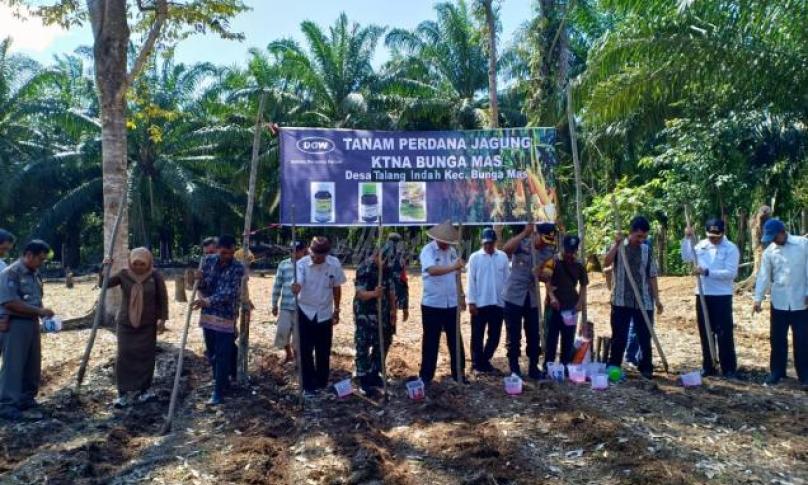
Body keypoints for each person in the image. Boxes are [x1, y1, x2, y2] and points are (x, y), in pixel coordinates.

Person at [104, 248, 169, 407]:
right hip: (126, 324)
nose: (139, 267)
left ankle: (144, 391)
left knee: (146, 357)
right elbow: (104, 284)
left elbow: (163, 298)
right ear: (130, 262)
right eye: (136, 264)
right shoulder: (124, 274)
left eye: (142, 264)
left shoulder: (155, 276)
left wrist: (162, 319)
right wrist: (105, 269)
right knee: (124, 356)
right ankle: (123, 393)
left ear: (148, 263)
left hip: (147, 324)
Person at [603, 216, 663, 379]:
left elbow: (652, 275)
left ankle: (646, 366)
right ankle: (614, 364)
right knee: (619, 336)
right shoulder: (619, 246)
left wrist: (656, 299)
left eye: (644, 237)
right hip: (621, 300)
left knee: (645, 335)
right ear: (631, 233)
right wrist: (616, 244)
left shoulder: (647, 250)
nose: (641, 240)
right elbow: (606, 262)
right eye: (638, 236)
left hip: (643, 300)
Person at [0, 240, 53, 421]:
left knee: (32, 363)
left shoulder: (35, 273)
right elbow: (10, 302)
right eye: (40, 259)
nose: (41, 262)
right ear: (28, 255)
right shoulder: (11, 273)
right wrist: (39, 311)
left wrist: (44, 316)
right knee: (13, 365)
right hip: (15, 324)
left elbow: (36, 298)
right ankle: (8, 404)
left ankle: (26, 398)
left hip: (31, 323)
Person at [681, 218, 740, 378]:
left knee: (723, 332)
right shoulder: (700, 245)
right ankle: (709, 365)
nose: (714, 238)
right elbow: (686, 257)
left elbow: (731, 273)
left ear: (723, 233)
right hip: (702, 293)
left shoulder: (730, 248)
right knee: (705, 331)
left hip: (721, 295)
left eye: (717, 236)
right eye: (711, 235)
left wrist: (707, 272)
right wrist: (687, 238)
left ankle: (728, 368)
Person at [753, 218, 808, 386]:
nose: (773, 240)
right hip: (779, 302)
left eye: (775, 236)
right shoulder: (770, 252)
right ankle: (777, 372)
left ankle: (805, 376)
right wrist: (758, 299)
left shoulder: (802, 244)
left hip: (801, 302)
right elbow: (764, 276)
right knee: (777, 339)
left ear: (782, 232)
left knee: (803, 340)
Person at [291, 236, 347, 396]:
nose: (316, 259)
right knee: (305, 350)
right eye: (314, 255)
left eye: (320, 256)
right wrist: (296, 287)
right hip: (305, 310)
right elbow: (298, 281)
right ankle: (308, 385)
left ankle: (321, 381)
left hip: (324, 312)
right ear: (309, 251)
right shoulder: (301, 264)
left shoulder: (334, 264)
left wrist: (337, 309)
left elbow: (337, 287)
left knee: (323, 350)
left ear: (327, 254)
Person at [193, 235, 245, 405]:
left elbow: (229, 292)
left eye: (231, 253)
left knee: (223, 353)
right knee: (213, 353)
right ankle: (221, 381)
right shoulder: (208, 262)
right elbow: (205, 286)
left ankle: (218, 391)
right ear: (218, 250)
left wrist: (207, 301)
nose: (227, 256)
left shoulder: (238, 268)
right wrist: (198, 280)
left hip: (226, 316)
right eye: (224, 253)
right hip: (208, 316)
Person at [501, 222, 556, 378]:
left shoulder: (549, 251)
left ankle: (533, 368)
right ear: (536, 234)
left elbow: (548, 275)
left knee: (533, 334)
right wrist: (524, 233)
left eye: (548, 241)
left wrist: (539, 273)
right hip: (513, 296)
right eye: (543, 239)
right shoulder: (522, 243)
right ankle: (514, 368)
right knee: (513, 335)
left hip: (532, 298)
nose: (544, 243)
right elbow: (506, 249)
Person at [419, 221, 466, 384]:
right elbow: (432, 270)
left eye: (449, 242)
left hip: (451, 303)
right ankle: (426, 376)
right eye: (445, 241)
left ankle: (459, 374)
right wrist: (453, 267)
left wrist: (461, 295)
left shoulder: (452, 251)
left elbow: (456, 275)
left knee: (455, 340)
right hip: (432, 303)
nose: (447, 244)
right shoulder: (428, 250)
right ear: (438, 239)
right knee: (431, 341)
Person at [353, 241, 398, 396]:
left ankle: (375, 372)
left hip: (383, 313)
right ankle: (363, 376)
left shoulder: (388, 268)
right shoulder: (364, 268)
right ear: (376, 255)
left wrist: (393, 310)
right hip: (366, 313)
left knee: (383, 342)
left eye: (389, 259)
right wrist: (373, 294)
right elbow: (360, 294)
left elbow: (391, 290)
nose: (386, 262)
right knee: (363, 343)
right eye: (383, 259)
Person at [466, 228, 509, 373]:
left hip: (498, 303)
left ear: (495, 242)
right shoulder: (475, 258)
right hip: (480, 303)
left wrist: (506, 301)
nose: (488, 246)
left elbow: (507, 280)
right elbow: (471, 281)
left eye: (490, 243)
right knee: (477, 335)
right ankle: (477, 363)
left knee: (495, 336)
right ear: (481, 242)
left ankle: (484, 361)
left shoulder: (502, 257)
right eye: (485, 244)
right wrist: (471, 302)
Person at [544, 235, 588, 368]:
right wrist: (552, 297)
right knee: (551, 338)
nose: (570, 254)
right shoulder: (553, 261)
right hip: (554, 306)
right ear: (563, 247)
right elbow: (546, 280)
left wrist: (580, 302)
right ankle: (548, 365)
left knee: (568, 338)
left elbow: (583, 285)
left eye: (572, 251)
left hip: (571, 307)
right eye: (567, 251)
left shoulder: (579, 264)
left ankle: (565, 365)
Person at [271, 240, 307, 364]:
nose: (294, 253)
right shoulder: (283, 264)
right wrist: (274, 304)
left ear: (303, 251)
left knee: (298, 337)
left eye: (297, 250)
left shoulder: (307, 265)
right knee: (282, 332)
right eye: (292, 250)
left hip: (302, 307)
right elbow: (277, 285)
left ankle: (298, 360)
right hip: (286, 305)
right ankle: (288, 354)